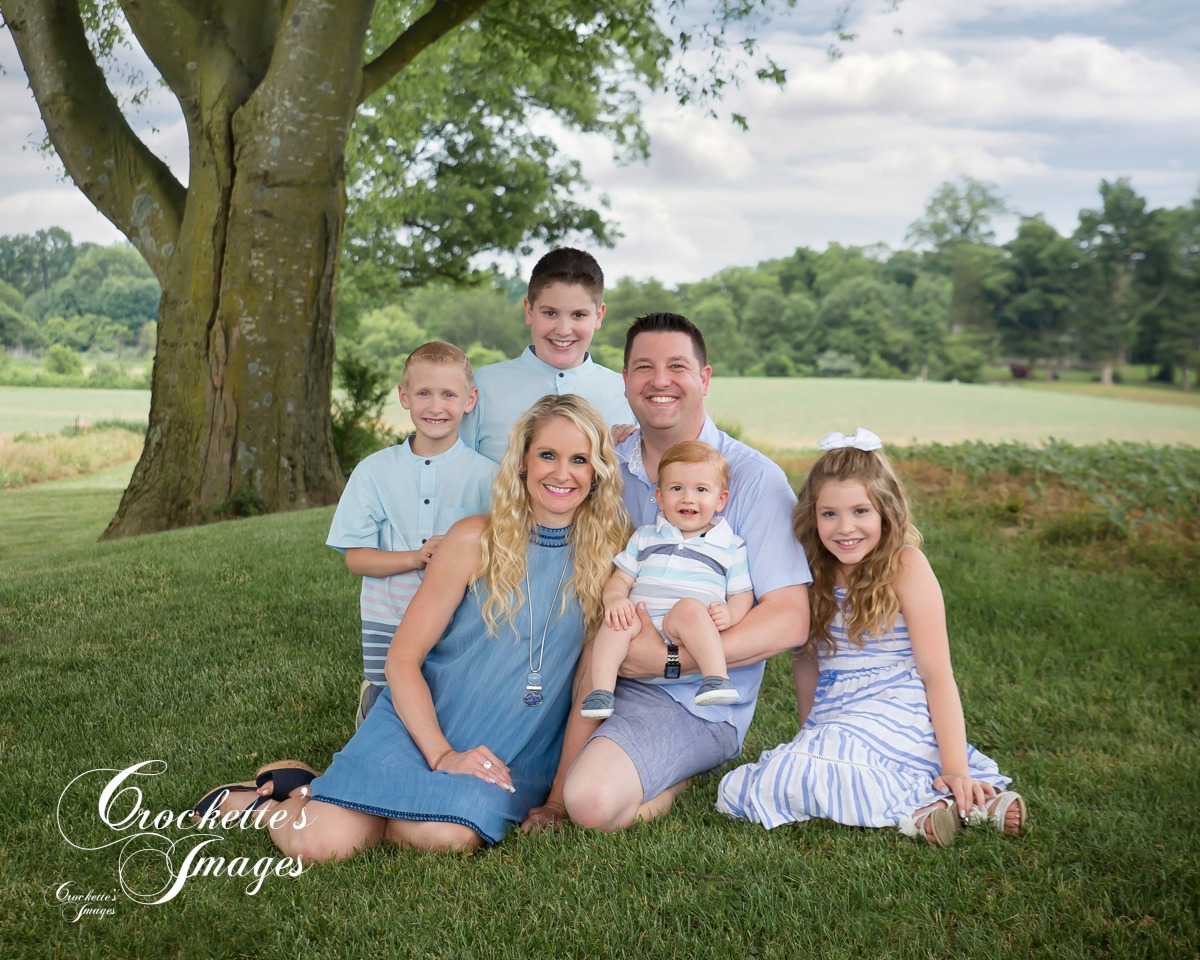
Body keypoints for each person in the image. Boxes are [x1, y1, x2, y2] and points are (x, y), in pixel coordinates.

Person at [194, 395, 630, 855]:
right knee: (323, 844)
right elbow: (403, 658)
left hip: (515, 745)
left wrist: (559, 800)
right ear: (522, 463)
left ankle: (328, 790)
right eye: (547, 455)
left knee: (440, 836)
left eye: (579, 460)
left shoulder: (612, 559)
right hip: (424, 721)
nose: (562, 473)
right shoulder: (473, 539)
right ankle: (270, 803)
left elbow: (587, 683)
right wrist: (442, 755)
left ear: (597, 472)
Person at [558, 312, 812, 831]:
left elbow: (790, 620)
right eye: (643, 367)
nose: (659, 380)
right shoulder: (603, 465)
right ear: (625, 381)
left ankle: (675, 774)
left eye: (677, 365)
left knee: (590, 804)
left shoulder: (753, 480)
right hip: (593, 670)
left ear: (705, 378)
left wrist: (670, 660)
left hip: (691, 701)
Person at [715, 428, 1027, 845]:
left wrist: (955, 764)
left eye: (861, 511)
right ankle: (968, 806)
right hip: (839, 711)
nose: (846, 528)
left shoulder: (906, 565)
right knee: (749, 784)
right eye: (830, 514)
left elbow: (937, 674)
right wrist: (809, 732)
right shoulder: (811, 572)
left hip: (898, 704)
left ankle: (930, 804)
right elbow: (806, 660)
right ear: (813, 516)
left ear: (886, 511)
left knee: (811, 768)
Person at [326, 341, 496, 726]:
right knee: (387, 709)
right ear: (404, 397)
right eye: (424, 393)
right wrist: (414, 558)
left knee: (448, 704)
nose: (436, 407)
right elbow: (356, 558)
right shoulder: (373, 471)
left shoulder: (488, 477)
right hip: (387, 617)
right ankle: (371, 712)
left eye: (449, 395)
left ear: (470, 400)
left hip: (458, 621)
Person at [580, 440, 752, 719]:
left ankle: (716, 678)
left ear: (721, 499)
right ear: (660, 498)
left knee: (689, 608)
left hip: (684, 639)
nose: (688, 498)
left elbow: (743, 593)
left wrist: (731, 613)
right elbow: (621, 578)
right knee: (615, 623)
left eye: (701, 490)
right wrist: (614, 598)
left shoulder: (730, 545)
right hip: (637, 631)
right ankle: (600, 691)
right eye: (676, 489)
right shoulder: (646, 536)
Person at [460, 247, 633, 462]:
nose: (563, 329)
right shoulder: (481, 388)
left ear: (598, 316)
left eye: (578, 315)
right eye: (550, 313)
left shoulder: (627, 395)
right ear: (529, 310)